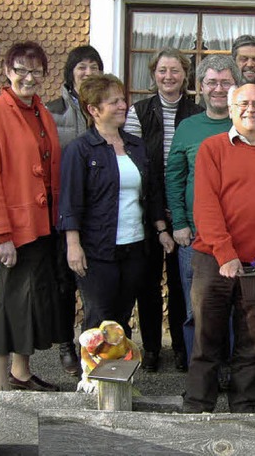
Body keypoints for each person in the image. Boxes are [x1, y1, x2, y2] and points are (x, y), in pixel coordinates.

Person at [183, 83, 255, 413]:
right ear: (232, 110)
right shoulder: (213, 148)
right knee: (207, 339)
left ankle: (245, 407)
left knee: (253, 342)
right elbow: (205, 206)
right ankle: (197, 406)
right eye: (243, 104)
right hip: (213, 261)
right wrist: (226, 254)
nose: (250, 109)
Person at [0, 41, 61, 391]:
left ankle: (21, 374)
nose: (28, 77)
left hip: (41, 227)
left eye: (36, 71)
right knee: (8, 306)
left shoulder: (41, 112)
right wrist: (0, 236)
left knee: (32, 303)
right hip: (11, 232)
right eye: (21, 70)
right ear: (7, 72)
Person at [58, 74, 167, 341]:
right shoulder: (80, 150)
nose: (123, 106)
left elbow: (151, 192)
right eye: (114, 102)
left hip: (134, 248)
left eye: (122, 99)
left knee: (121, 319)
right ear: (93, 110)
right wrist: (73, 245)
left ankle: (117, 380)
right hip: (97, 250)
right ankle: (95, 381)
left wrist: (161, 229)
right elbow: (70, 201)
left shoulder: (136, 146)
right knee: (99, 320)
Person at [124, 48, 202, 372]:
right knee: (149, 284)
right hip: (147, 215)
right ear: (153, 74)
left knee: (184, 283)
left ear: (185, 75)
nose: (168, 77)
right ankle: (153, 348)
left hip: (185, 213)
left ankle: (184, 350)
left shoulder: (197, 113)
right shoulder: (138, 112)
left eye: (175, 70)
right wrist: (157, 214)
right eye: (162, 71)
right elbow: (137, 166)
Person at [165, 55, 239, 368]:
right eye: (212, 82)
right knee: (197, 309)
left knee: (236, 309)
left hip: (238, 237)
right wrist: (179, 223)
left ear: (236, 87)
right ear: (201, 87)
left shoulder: (246, 123)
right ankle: (199, 371)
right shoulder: (188, 127)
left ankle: (230, 370)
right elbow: (174, 176)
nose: (218, 88)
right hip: (195, 237)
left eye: (226, 82)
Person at [46, 44, 103, 376]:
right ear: (71, 72)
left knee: (92, 286)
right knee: (64, 285)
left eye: (94, 66)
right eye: (82, 67)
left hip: (97, 215)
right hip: (63, 210)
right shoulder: (53, 111)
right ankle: (66, 346)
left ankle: (90, 346)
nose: (88, 72)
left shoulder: (103, 109)